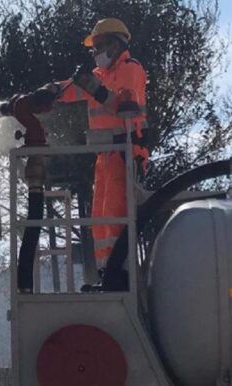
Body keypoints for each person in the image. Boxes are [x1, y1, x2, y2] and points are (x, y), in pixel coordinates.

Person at [39, 17, 150, 265]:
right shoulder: (99, 75)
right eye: (94, 48)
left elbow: (123, 104)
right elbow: (70, 91)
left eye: (99, 46)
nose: (95, 52)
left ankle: (121, 274)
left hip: (126, 152)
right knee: (99, 218)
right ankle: (106, 273)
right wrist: (49, 91)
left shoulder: (130, 69)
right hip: (105, 154)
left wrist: (94, 88)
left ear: (115, 44)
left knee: (114, 215)